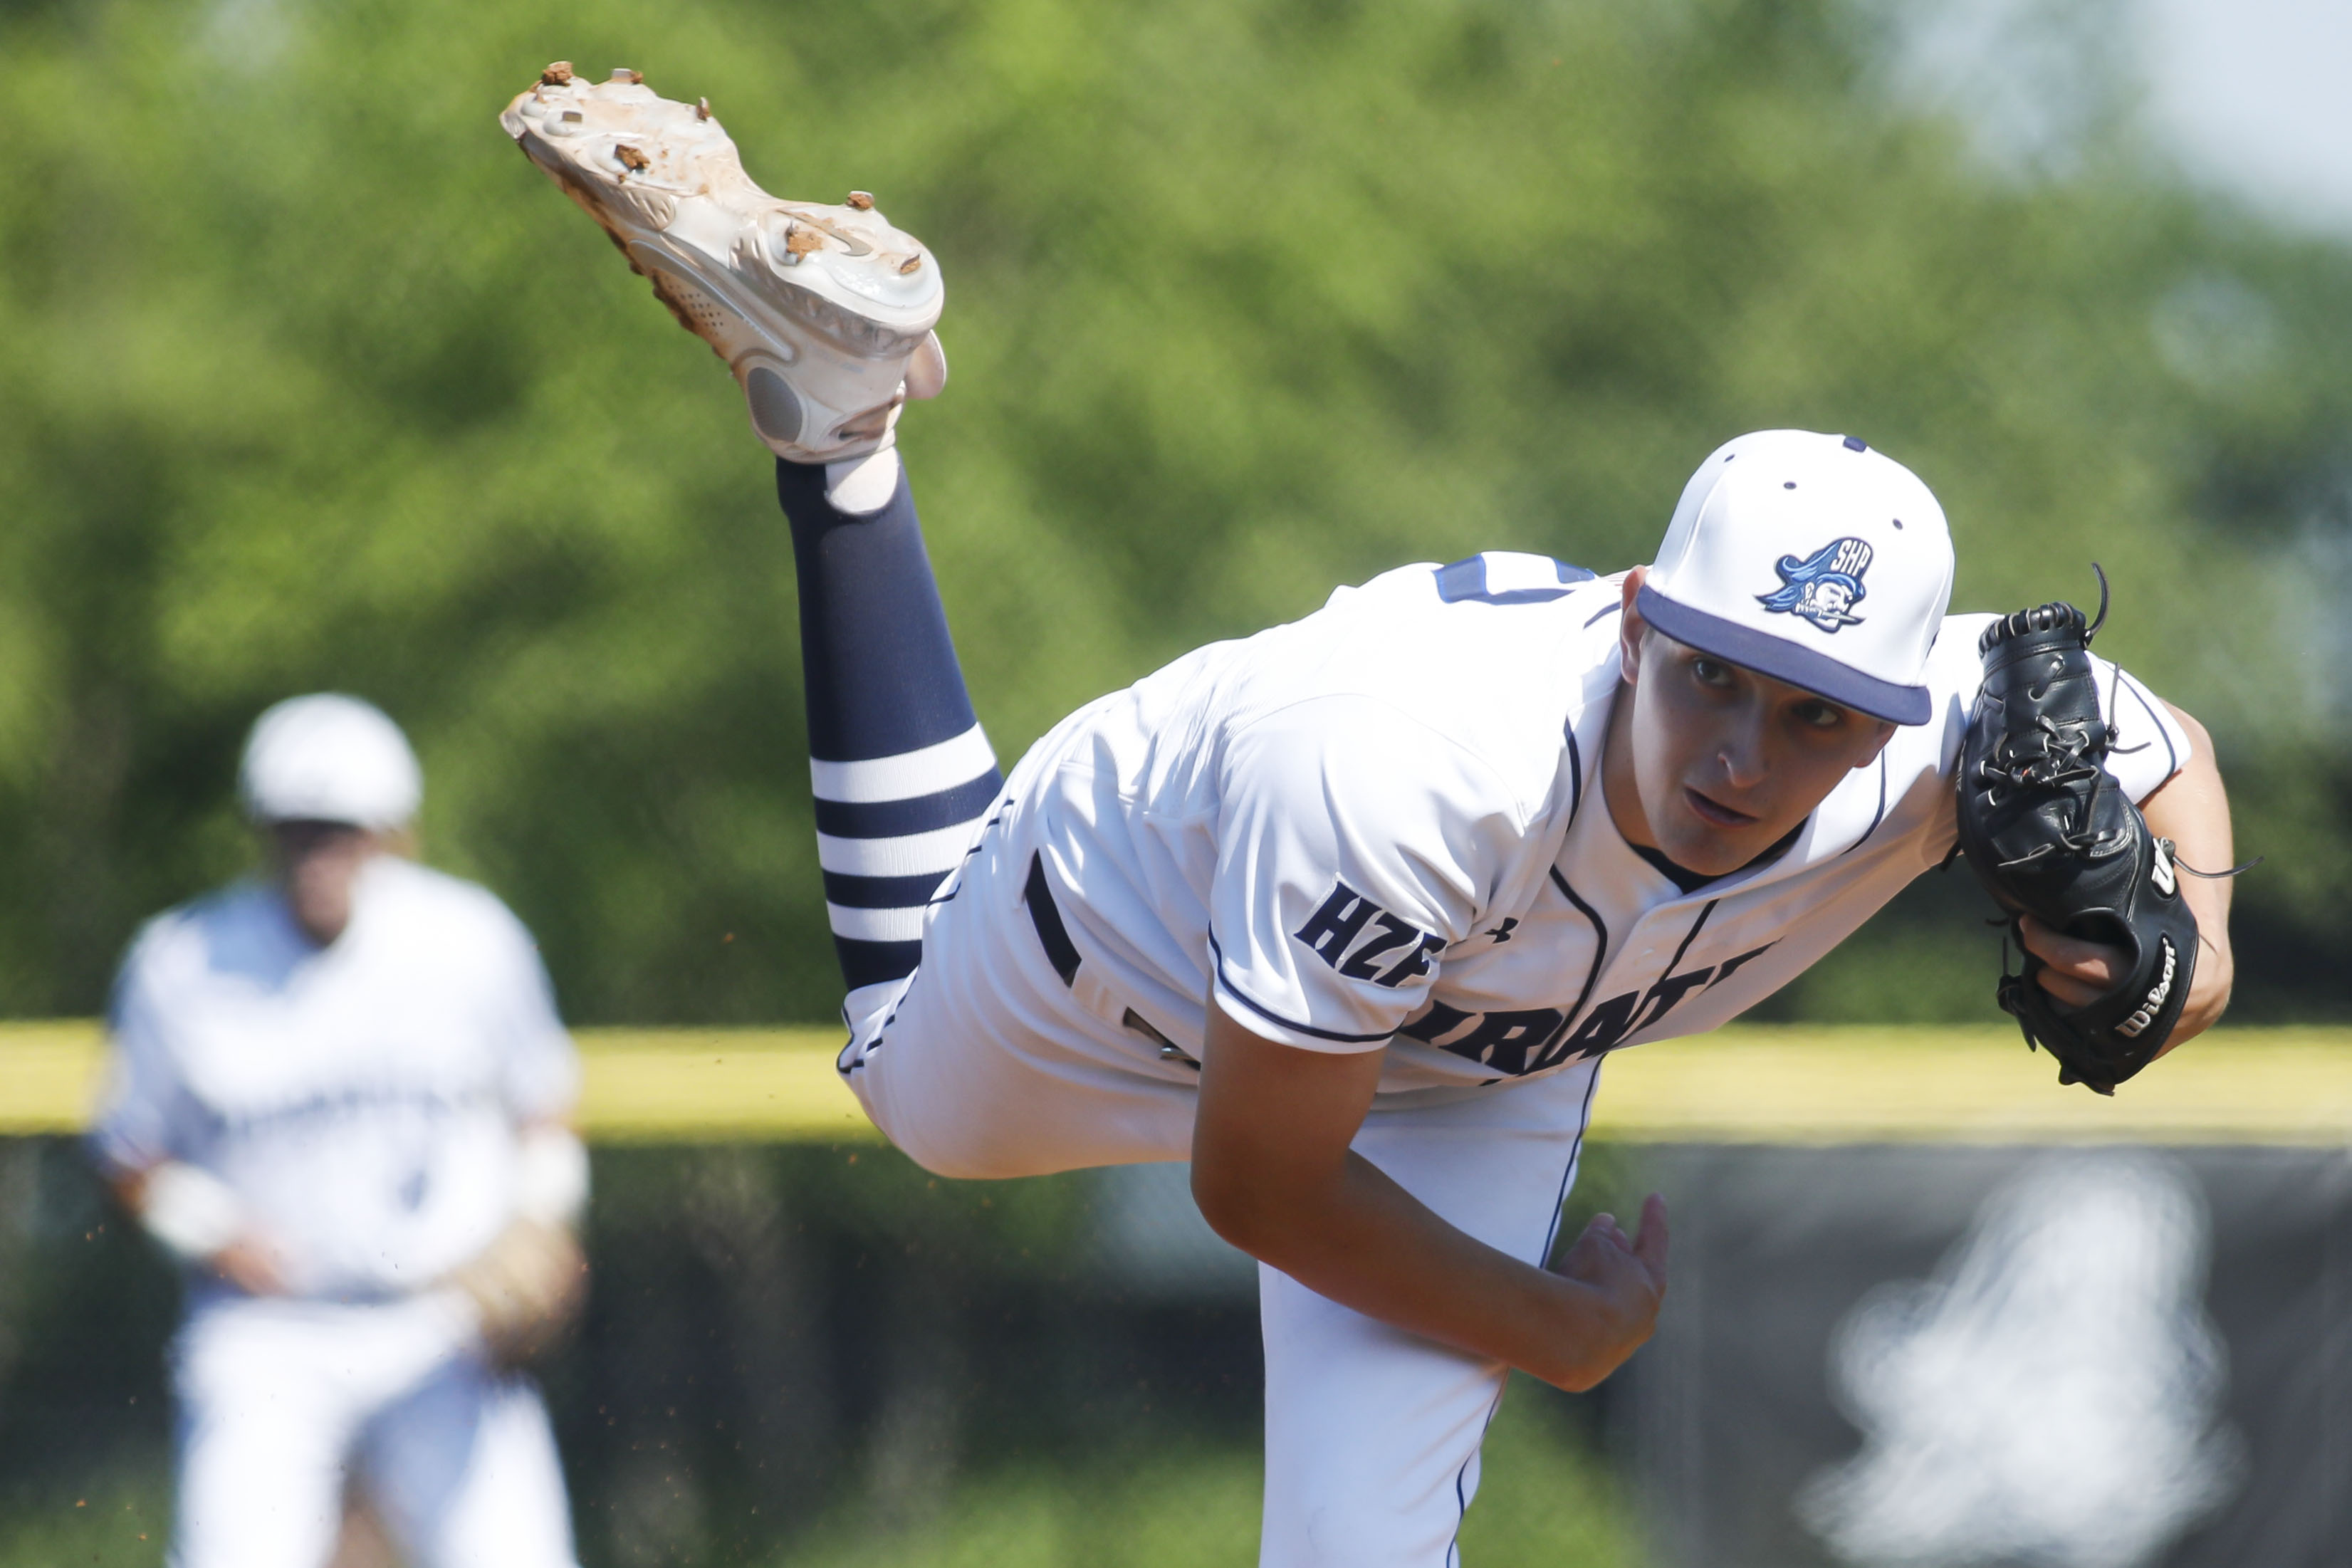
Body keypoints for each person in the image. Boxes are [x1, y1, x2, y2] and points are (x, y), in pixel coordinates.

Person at [503, 67, 2239, 1567]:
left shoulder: (1951, 725)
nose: (1739, 747)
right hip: (1133, 933)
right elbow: (1256, 1178)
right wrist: (1555, 1326)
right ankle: (842, 441)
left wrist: (2189, 952)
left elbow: (2170, 750)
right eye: (1708, 672)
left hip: (1473, 1059)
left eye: (1806, 713)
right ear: (1637, 617)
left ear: (1880, 717)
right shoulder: (1412, 767)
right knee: (914, 1091)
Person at [88, 694, 589, 1568]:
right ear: (264, 832)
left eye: (341, 830)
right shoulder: (182, 960)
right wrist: (212, 1230)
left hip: (444, 1317)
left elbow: (543, 1109)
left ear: (391, 833)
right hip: (268, 1329)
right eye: (297, 829)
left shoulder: (467, 940)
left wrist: (540, 1222)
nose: (318, 853)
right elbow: (128, 1154)